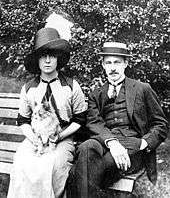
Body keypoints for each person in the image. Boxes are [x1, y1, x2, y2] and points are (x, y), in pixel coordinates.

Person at [67, 42, 169, 198]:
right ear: (103, 65)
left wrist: (144, 143)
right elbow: (94, 123)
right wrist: (112, 143)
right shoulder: (96, 94)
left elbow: (161, 124)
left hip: (132, 145)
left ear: (126, 63)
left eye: (117, 62)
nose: (112, 67)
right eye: (108, 63)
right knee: (87, 146)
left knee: (78, 171)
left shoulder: (142, 88)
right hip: (105, 142)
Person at [7, 26, 87, 198]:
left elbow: (80, 119)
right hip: (36, 137)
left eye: (52, 56)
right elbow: (23, 120)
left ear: (58, 59)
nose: (48, 61)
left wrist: (60, 136)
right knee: (21, 160)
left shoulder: (71, 86)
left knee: (55, 164)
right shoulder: (29, 88)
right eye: (43, 56)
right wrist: (34, 139)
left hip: (63, 137)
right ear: (37, 61)